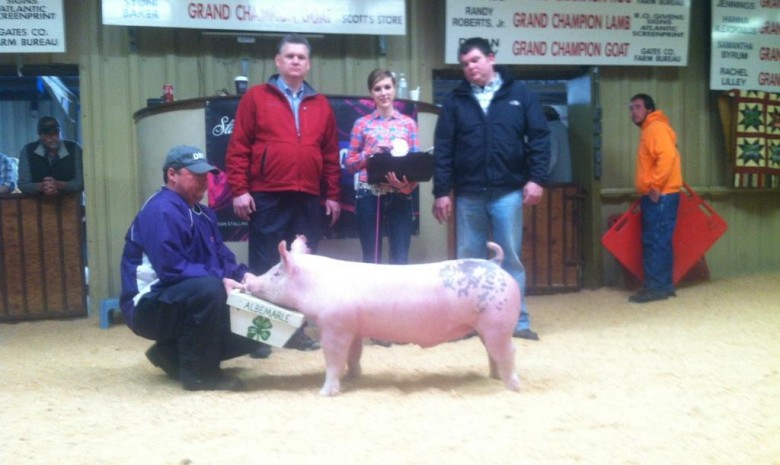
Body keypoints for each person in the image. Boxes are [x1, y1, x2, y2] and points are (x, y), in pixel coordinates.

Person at [225, 33, 341, 356]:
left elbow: (330, 154)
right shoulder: (256, 98)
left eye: (301, 57)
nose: (295, 61)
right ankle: (260, 336)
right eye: (289, 56)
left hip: (308, 197)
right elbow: (238, 148)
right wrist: (239, 189)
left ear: (308, 64)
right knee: (264, 265)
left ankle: (295, 332)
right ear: (278, 61)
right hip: (266, 194)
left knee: (300, 269)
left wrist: (331, 194)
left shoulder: (321, 105)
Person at [432, 37, 550, 341]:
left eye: (475, 60)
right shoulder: (455, 101)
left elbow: (539, 137)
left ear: (491, 58)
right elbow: (443, 148)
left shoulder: (520, 94)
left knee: (510, 258)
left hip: (508, 192)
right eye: (465, 63)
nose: (470, 67)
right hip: (468, 194)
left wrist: (537, 178)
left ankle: (518, 322)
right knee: (468, 261)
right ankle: (466, 324)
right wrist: (441, 191)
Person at [120, 145, 262, 391]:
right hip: (147, 305)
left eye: (205, 175)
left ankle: (171, 354)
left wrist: (245, 276)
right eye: (196, 175)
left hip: (179, 297)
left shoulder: (205, 214)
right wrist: (221, 281)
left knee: (256, 332)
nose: (204, 182)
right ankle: (200, 375)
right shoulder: (161, 209)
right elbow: (172, 269)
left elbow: (222, 258)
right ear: (172, 175)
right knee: (210, 290)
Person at [345, 68, 420, 264]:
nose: (383, 93)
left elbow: (416, 166)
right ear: (371, 93)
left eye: (387, 87)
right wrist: (370, 153)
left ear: (394, 89)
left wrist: (405, 187)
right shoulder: (361, 124)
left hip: (400, 195)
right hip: (369, 195)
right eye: (378, 88)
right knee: (371, 257)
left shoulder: (408, 124)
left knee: (400, 257)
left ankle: (399, 296)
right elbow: (350, 163)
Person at [628, 94, 683, 303]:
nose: (633, 112)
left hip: (660, 195)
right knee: (661, 240)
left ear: (649, 109)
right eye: (631, 108)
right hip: (666, 194)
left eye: (638, 107)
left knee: (654, 240)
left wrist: (655, 186)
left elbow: (667, 156)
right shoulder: (655, 127)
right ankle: (664, 285)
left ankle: (656, 288)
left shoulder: (655, 128)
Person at [17, 116, 84, 195]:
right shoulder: (27, 151)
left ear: (60, 132)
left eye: (56, 133)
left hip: (71, 203)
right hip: (37, 204)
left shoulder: (74, 149)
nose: (53, 137)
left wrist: (59, 185)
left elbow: (81, 183)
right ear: (40, 135)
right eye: (48, 134)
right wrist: (42, 186)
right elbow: (23, 184)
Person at [543, 106, 573, 184]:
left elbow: (551, 157)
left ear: (544, 117)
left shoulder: (550, 131)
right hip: (566, 180)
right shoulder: (563, 129)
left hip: (553, 183)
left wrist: (539, 178)